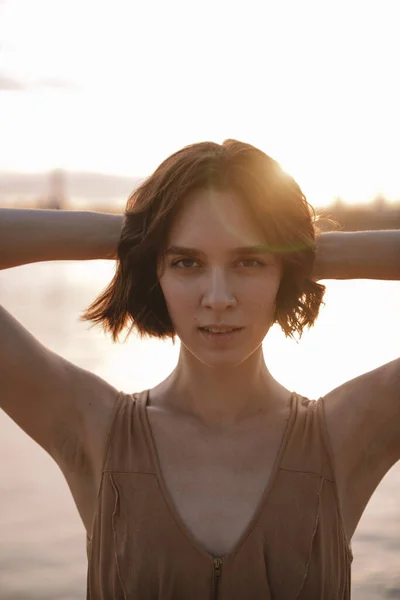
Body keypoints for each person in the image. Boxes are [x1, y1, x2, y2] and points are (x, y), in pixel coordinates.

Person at [0, 139, 399, 599]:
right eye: (187, 262)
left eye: (249, 261)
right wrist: (133, 238)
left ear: (284, 272)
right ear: (157, 273)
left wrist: (311, 256)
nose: (218, 297)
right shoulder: (95, 429)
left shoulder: (346, 434)